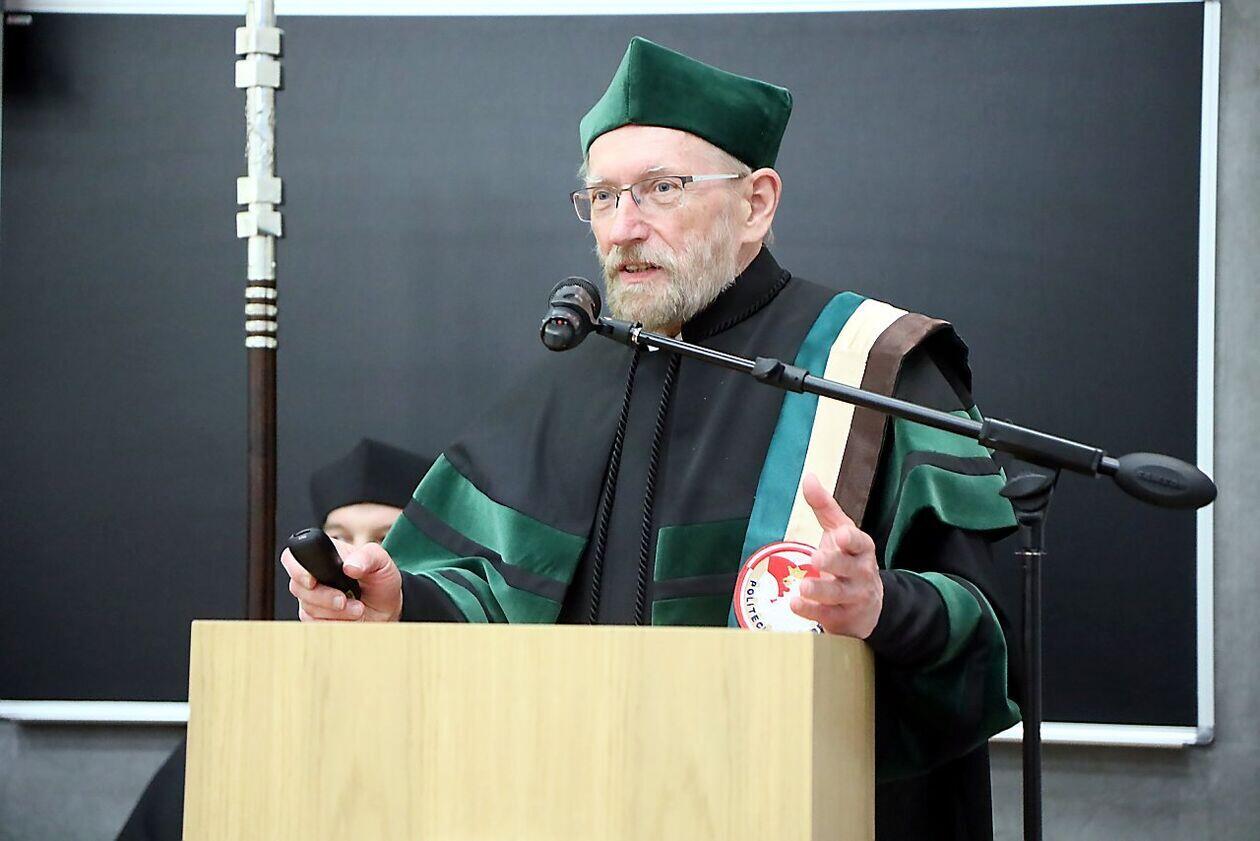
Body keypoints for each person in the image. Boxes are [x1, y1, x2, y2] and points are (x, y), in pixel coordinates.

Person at [281, 38, 1021, 841]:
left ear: (757, 202)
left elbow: (987, 628)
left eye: (661, 189)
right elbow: (493, 605)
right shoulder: (565, 384)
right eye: (602, 197)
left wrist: (881, 605)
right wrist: (401, 602)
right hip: (583, 807)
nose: (623, 227)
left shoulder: (869, 367)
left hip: (815, 810)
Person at [116, 439, 432, 841]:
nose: (359, 559)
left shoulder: (466, 683)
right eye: (338, 539)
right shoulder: (263, 700)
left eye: (385, 538)